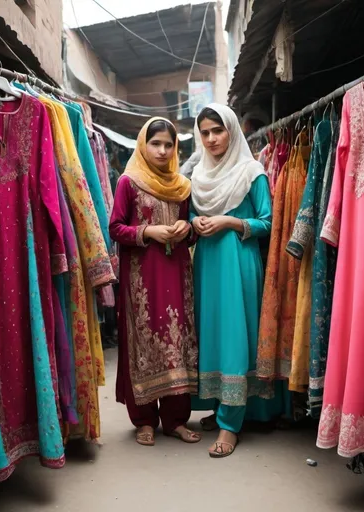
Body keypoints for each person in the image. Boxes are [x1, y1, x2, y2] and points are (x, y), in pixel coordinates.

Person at [191, 104, 289, 458]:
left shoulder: (252, 172)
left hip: (238, 261)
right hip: (208, 263)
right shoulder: (199, 176)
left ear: (232, 131)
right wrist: (196, 223)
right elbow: (192, 214)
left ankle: (231, 425)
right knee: (213, 334)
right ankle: (222, 408)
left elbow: (268, 222)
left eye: (218, 130)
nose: (213, 138)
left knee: (235, 333)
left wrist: (230, 222)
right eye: (205, 132)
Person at [109, 117, 201, 447]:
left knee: (178, 340)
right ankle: (144, 420)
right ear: (143, 144)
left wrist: (186, 230)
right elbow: (115, 228)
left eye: (168, 145)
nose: (162, 150)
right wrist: (148, 231)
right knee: (144, 341)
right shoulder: (128, 183)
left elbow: (191, 231)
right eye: (155, 143)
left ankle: (175, 420)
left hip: (177, 272)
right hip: (141, 278)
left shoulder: (182, 185)